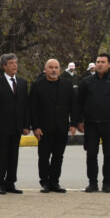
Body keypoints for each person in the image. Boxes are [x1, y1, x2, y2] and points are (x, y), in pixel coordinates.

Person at [75, 53, 110, 193]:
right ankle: (92, 183)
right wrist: (78, 121)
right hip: (90, 124)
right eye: (98, 62)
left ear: (109, 64)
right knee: (91, 155)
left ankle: (107, 183)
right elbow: (78, 103)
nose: (99, 64)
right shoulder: (86, 82)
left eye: (103, 62)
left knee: (109, 155)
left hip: (109, 124)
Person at [29, 59, 77, 193]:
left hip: (62, 127)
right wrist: (35, 127)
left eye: (56, 67)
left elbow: (74, 106)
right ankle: (45, 182)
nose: (53, 70)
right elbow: (33, 108)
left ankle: (55, 182)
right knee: (44, 156)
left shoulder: (67, 85)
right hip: (43, 129)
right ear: (45, 69)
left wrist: (73, 124)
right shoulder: (37, 85)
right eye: (51, 67)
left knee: (58, 156)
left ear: (60, 70)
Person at [0, 53, 30, 195]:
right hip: (1, 128)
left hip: (17, 127)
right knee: (2, 156)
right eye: (11, 63)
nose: (15, 65)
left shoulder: (22, 83)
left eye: (16, 63)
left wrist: (26, 125)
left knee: (13, 156)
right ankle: (0, 183)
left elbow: (25, 105)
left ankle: (11, 182)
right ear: (4, 66)